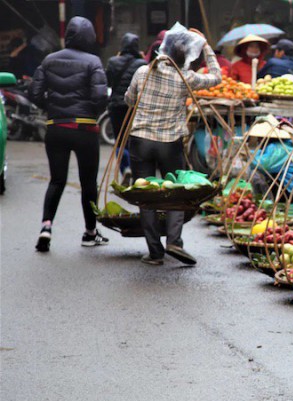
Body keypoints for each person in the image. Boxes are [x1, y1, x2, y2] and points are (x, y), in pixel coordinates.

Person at [125, 27, 221, 266]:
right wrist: (207, 47)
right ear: (187, 56)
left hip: (141, 140)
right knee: (176, 192)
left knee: (145, 196)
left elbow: (129, 100)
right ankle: (174, 242)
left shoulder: (142, 72)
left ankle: (155, 252)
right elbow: (217, 78)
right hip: (170, 143)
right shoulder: (185, 77)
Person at [31, 16, 109, 252]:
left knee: (57, 180)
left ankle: (46, 227)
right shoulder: (93, 61)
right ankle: (90, 232)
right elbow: (100, 97)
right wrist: (92, 112)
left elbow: (34, 93)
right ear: (90, 37)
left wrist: (52, 109)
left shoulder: (48, 60)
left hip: (55, 128)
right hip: (85, 129)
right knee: (88, 184)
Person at [105, 33, 147, 184]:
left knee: (119, 140)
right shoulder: (142, 63)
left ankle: (125, 169)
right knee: (133, 140)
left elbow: (108, 81)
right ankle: (135, 172)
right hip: (134, 107)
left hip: (116, 105)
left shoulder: (113, 61)